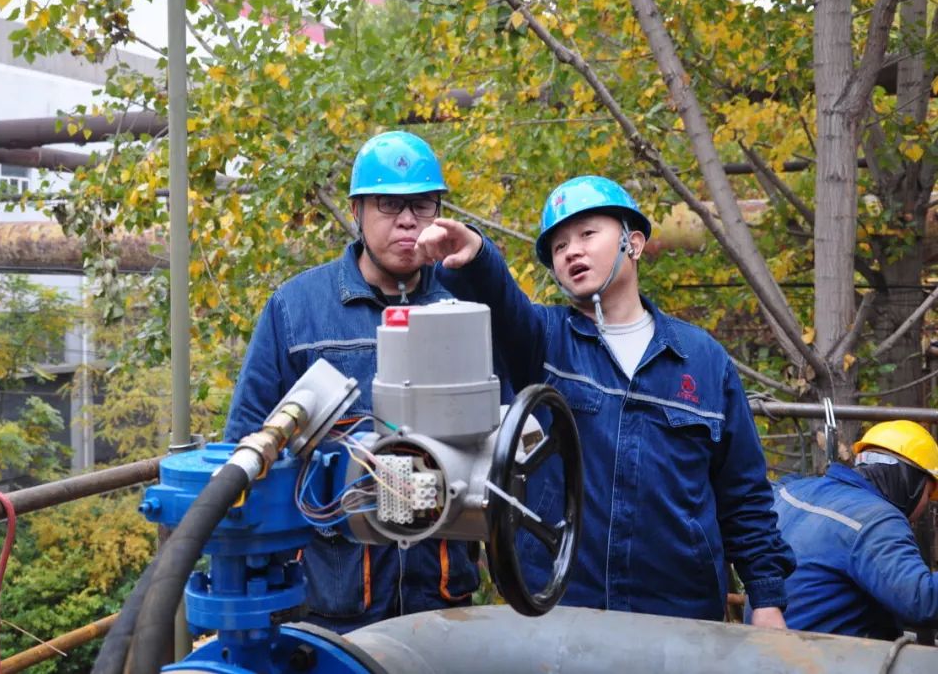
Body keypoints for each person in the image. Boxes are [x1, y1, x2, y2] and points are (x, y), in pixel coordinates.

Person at [415, 175, 795, 625]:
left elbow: (743, 494)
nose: (571, 251)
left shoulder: (703, 360)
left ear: (633, 243)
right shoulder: (544, 340)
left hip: (681, 613)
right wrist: (477, 255)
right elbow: (498, 299)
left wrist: (766, 599)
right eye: (559, 246)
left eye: (587, 234)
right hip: (563, 608)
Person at [224, 131, 481, 633]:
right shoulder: (297, 309)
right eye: (388, 204)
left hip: (442, 595)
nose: (407, 220)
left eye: (422, 205)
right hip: (336, 598)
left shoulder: (465, 306)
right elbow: (247, 441)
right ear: (356, 212)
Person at [765, 420, 938, 638]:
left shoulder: (791, 491)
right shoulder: (875, 519)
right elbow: (921, 600)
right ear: (911, 482)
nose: (925, 506)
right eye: (927, 494)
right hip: (817, 654)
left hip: (759, 645)